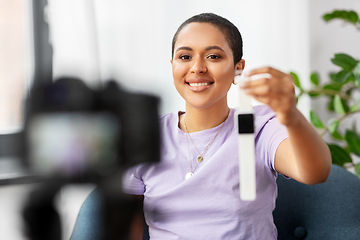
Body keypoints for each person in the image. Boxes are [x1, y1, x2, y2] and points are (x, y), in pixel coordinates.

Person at [122, 13, 331, 239]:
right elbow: (125, 225)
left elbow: (314, 173)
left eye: (213, 56)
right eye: (185, 57)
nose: (197, 67)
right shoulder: (147, 135)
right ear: (172, 66)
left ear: (237, 69)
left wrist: (291, 115)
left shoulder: (260, 125)